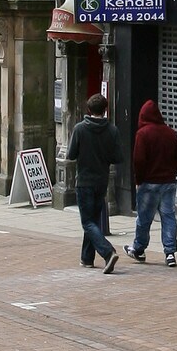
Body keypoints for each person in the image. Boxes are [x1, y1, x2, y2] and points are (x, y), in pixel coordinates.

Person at [65, 92, 122, 273]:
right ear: (105, 110)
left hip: (84, 181)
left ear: (89, 110)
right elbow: (118, 157)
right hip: (101, 181)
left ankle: (107, 252)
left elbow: (71, 154)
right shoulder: (112, 130)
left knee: (87, 222)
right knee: (93, 222)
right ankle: (86, 258)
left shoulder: (80, 129)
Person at [124, 99, 177, 267]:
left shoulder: (142, 134)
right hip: (168, 182)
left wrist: (139, 179)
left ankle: (139, 248)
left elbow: (139, 159)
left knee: (144, 218)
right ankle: (170, 253)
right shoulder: (170, 133)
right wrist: (172, 171)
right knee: (169, 216)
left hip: (149, 182)